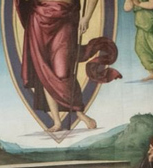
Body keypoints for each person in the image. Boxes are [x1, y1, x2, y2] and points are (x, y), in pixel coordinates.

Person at [14, 0, 121, 131]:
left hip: (66, 18)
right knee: (44, 69)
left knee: (62, 72)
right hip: (38, 19)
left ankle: (79, 112)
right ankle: (57, 122)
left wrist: (87, 17)